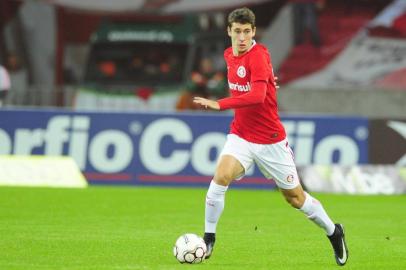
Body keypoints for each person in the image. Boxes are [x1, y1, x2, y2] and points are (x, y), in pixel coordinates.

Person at [193, 7, 348, 266]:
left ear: (253, 32)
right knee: (221, 176)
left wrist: (220, 104)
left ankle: (334, 231)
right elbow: (254, 84)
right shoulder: (229, 54)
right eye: (237, 31)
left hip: (270, 140)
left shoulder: (259, 55)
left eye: (246, 32)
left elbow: (256, 97)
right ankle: (209, 237)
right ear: (229, 31)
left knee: (296, 198)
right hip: (241, 135)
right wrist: (265, 80)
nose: (241, 37)